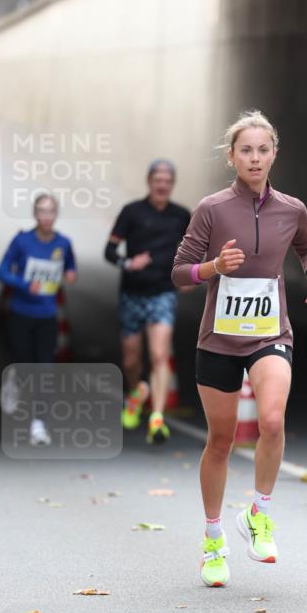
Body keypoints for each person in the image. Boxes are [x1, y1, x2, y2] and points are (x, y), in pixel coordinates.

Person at [172, 110, 307, 587]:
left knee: (273, 419)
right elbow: (180, 272)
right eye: (246, 150)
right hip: (218, 340)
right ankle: (214, 541)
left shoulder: (292, 208)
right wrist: (214, 266)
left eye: (263, 150)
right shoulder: (212, 209)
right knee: (220, 441)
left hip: (269, 335)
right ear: (232, 157)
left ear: (274, 154)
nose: (255, 158)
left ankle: (260, 513)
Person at [104, 160, 190, 444]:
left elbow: (194, 250)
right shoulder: (132, 212)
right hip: (132, 294)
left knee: (158, 355)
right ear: (149, 181)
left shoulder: (181, 216)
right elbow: (110, 250)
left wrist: (190, 275)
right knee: (131, 360)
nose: (162, 184)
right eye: (158, 179)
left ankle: (157, 417)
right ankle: (136, 391)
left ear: (173, 184)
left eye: (167, 180)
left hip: (163, 293)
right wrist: (129, 262)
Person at [0, 193, 77, 445]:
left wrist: (71, 274)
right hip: (21, 312)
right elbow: (1, 272)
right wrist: (23, 284)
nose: (46, 216)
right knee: (24, 362)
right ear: (35, 214)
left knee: (45, 368)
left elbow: (70, 267)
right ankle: (14, 381)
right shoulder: (22, 241)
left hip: (47, 315)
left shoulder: (63, 243)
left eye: (51, 211)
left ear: (56, 215)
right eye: (41, 211)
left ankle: (38, 423)